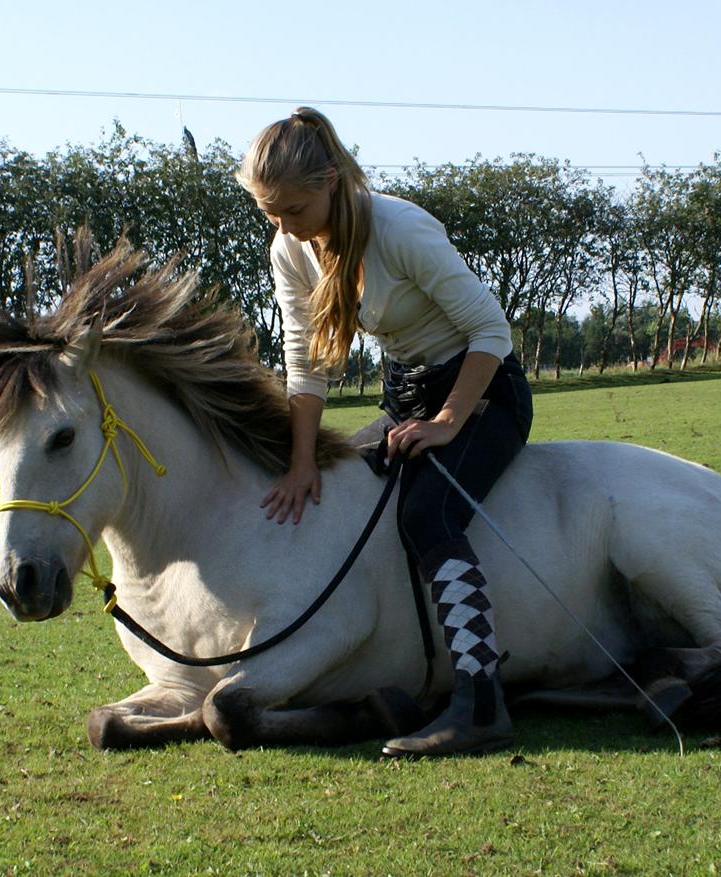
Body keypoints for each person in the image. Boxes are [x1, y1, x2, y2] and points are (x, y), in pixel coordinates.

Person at [236, 107, 533, 757]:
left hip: (482, 393)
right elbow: (302, 359)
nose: (284, 226)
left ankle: (481, 703)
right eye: (269, 213)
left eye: (294, 208)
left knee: (428, 513)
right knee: (341, 493)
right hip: (405, 396)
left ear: (332, 181)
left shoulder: (399, 229)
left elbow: (491, 332)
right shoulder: (290, 248)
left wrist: (448, 422)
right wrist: (302, 462)